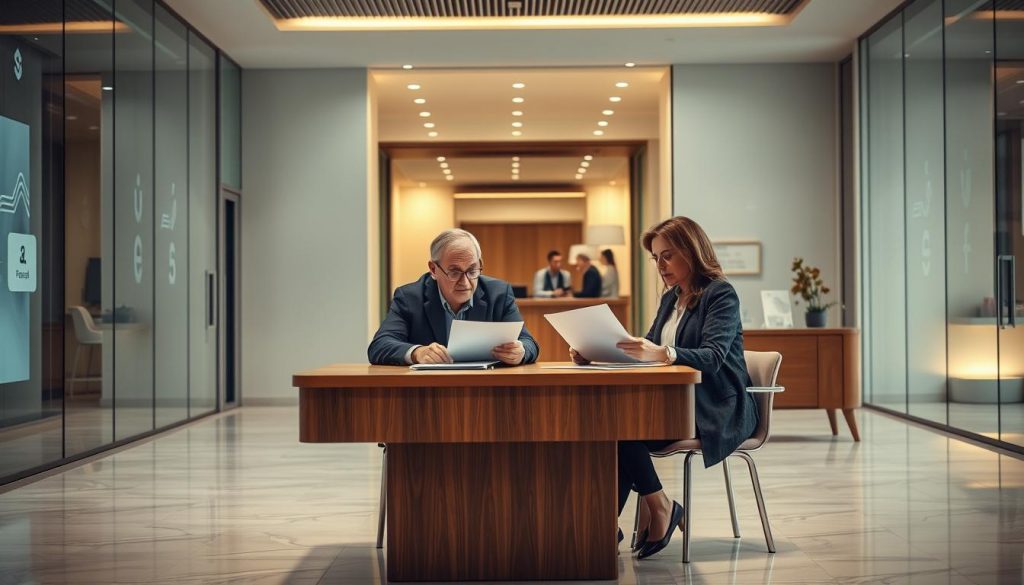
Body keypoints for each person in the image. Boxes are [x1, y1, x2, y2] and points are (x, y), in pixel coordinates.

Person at [569, 216, 758, 559]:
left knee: (622, 428)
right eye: (656, 258)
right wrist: (595, 353)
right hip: (677, 403)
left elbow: (713, 357)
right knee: (613, 425)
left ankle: (654, 510)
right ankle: (626, 517)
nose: (661, 265)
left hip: (715, 405)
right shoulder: (671, 298)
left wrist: (665, 352)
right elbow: (648, 351)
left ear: (692, 251)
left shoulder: (721, 294)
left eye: (668, 255)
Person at [368, 228, 539, 366]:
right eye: (455, 272)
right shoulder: (410, 297)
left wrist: (521, 351)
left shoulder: (498, 293)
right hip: (428, 393)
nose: (465, 282)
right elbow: (379, 345)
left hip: (485, 390)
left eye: (472, 270)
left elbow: (529, 342)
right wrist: (417, 352)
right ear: (433, 270)